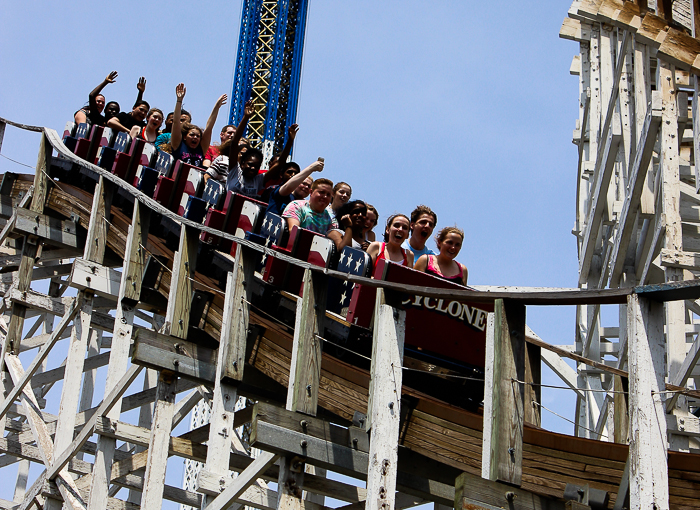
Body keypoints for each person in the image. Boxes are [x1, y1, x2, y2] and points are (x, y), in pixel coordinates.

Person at [169, 83, 227, 168]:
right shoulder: (178, 145)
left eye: (198, 136)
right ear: (185, 136)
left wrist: (217, 107)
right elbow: (176, 123)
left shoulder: (201, 149)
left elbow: (209, 127)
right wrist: (179, 100)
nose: (195, 137)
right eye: (192, 135)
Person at [76, 73, 145, 127]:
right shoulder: (98, 118)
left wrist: (140, 92)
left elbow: (134, 113)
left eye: (116, 111)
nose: (113, 112)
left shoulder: (118, 124)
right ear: (105, 110)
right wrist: (105, 82)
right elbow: (91, 96)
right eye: (111, 109)